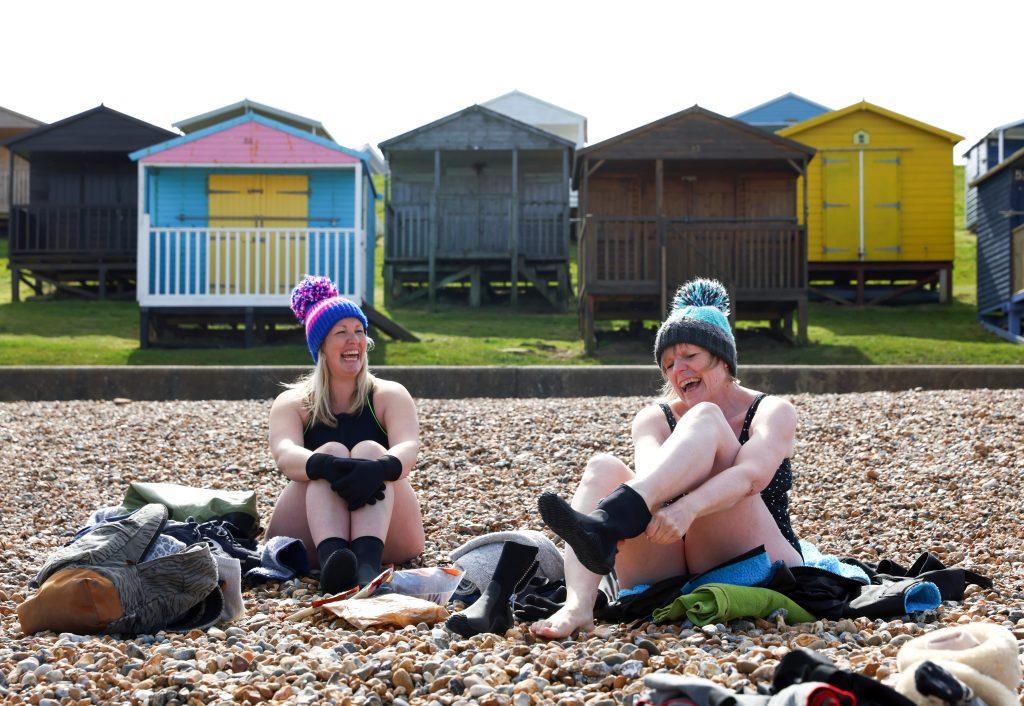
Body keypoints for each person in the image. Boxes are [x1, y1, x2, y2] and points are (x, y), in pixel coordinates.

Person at [532, 278, 803, 638]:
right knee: (603, 468)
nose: (679, 370)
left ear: (722, 358)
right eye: (669, 363)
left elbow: (751, 477)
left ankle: (607, 521)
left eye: (690, 356)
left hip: (754, 554)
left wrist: (688, 508)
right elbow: (651, 480)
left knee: (706, 417)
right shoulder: (654, 417)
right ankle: (578, 605)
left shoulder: (772, 410)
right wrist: (663, 508)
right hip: (670, 558)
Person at [265, 275, 423, 593]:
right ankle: (334, 562)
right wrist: (326, 466)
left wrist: (379, 467)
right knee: (332, 450)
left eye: (359, 331)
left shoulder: (389, 394)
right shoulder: (293, 402)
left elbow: (409, 447)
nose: (354, 341)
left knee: (370, 449)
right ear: (321, 345)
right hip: (308, 536)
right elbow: (284, 453)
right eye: (341, 332)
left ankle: (366, 565)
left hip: (390, 536)